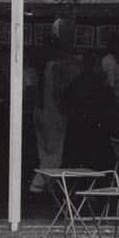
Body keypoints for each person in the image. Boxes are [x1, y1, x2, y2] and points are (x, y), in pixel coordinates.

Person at [28, 36, 80, 193]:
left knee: (43, 152)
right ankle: (38, 184)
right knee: (55, 153)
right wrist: (65, 110)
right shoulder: (55, 67)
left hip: (39, 111)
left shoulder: (38, 67)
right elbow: (58, 92)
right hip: (53, 113)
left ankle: (50, 187)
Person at [63, 52, 116, 171]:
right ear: (95, 66)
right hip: (95, 130)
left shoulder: (75, 83)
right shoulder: (101, 84)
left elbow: (66, 103)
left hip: (77, 129)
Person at [101, 33, 119, 112]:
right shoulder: (110, 62)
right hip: (115, 106)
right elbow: (110, 88)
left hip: (118, 104)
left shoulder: (111, 60)